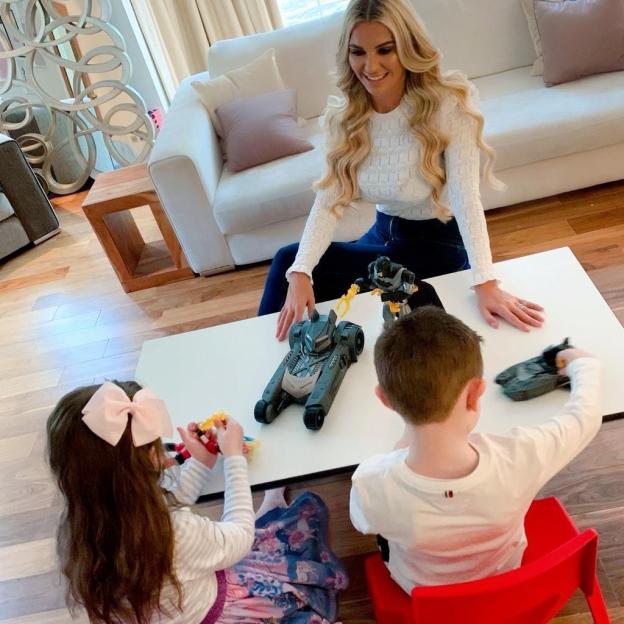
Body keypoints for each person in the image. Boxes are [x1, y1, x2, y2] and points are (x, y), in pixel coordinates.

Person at [258, 0, 544, 340]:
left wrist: (485, 280)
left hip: (435, 245)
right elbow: (328, 201)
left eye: (384, 50)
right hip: (383, 235)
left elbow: (466, 196)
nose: (371, 65)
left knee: (291, 261)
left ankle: (276, 358)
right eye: (358, 52)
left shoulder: (449, 103)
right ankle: (272, 356)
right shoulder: (346, 116)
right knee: (293, 270)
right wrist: (302, 271)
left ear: (406, 48)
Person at [46, 380, 347, 624]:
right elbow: (240, 538)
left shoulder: (89, 523)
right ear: (142, 465)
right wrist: (233, 460)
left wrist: (201, 463)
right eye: (154, 447)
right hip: (215, 608)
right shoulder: (177, 534)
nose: (163, 453)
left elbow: (164, 506)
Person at [349, 306, 601, 591]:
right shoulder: (521, 457)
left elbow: (362, 523)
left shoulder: (370, 484)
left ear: (384, 400)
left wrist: (401, 446)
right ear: (475, 392)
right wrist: (581, 364)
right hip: (505, 579)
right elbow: (585, 418)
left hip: (421, 593)